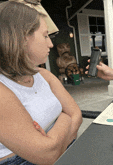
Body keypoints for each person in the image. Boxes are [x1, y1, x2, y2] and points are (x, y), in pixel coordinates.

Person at [0, 1, 82, 165]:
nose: (51, 44)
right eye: (45, 36)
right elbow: (47, 155)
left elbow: (77, 115)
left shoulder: (43, 74)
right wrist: (65, 117)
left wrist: (53, 141)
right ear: (22, 38)